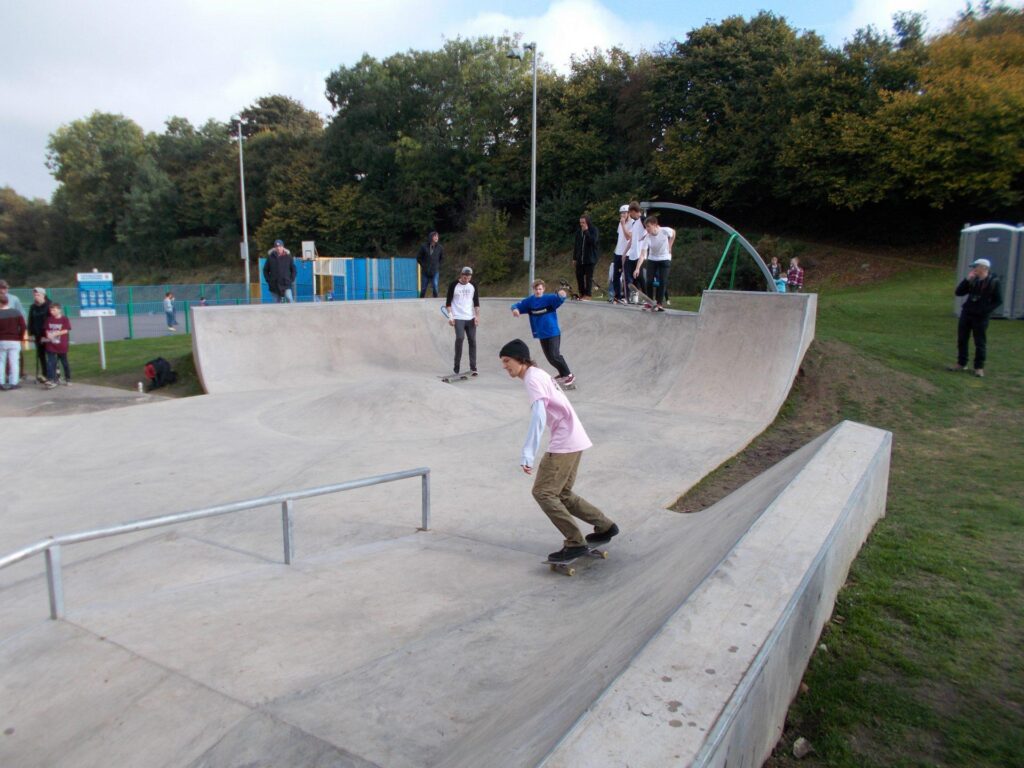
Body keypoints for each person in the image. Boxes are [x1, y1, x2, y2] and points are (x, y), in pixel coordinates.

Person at [499, 338, 619, 562]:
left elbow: (539, 415)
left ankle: (575, 543)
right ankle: (605, 526)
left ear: (521, 360)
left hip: (565, 441)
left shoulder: (532, 379)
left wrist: (528, 453)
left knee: (543, 493)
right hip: (576, 438)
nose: (505, 366)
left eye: (507, 361)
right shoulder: (540, 373)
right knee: (562, 494)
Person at [511, 279, 574, 386]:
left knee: (555, 355)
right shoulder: (530, 301)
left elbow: (559, 298)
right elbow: (516, 305)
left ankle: (568, 375)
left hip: (553, 332)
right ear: (533, 290)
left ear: (543, 289)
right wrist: (515, 310)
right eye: (536, 289)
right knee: (550, 358)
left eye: (540, 289)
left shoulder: (549, 298)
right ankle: (562, 373)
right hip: (541, 334)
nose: (538, 291)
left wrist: (562, 294)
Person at [951, 257, 1003, 378]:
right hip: (967, 313)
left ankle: (979, 367)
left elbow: (998, 300)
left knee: (979, 341)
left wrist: (985, 311)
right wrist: (967, 280)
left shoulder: (993, 281)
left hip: (981, 317)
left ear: (984, 268)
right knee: (962, 339)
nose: (974, 269)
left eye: (976, 267)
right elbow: (958, 292)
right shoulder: (973, 280)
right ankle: (961, 363)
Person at [445, 266, 480, 376]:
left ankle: (473, 367)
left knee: (472, 341)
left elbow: (476, 303)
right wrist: (450, 317)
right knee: (460, 338)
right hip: (458, 317)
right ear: (461, 275)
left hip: (470, 317)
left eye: (469, 278)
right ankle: (456, 366)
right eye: (465, 278)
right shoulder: (454, 285)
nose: (466, 280)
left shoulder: (473, 285)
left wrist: (477, 316)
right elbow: (448, 303)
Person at [637, 215, 675, 311]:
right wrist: (637, 268)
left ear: (655, 225)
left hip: (665, 259)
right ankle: (650, 302)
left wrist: (670, 245)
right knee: (649, 281)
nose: (647, 229)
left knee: (662, 281)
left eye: (648, 226)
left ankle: (659, 303)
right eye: (646, 227)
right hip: (652, 259)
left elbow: (674, 233)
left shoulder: (665, 230)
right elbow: (642, 255)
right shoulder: (647, 238)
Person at [0, 293, 26, 390]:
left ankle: (1, 382)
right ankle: (13, 382)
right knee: (14, 362)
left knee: (1, 362)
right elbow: (23, 326)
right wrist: (20, 337)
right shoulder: (16, 312)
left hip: (1, 340)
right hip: (14, 340)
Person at [43, 302, 71, 389]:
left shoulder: (64, 319)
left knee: (64, 362)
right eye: (51, 310)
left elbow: (66, 330)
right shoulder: (48, 319)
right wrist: (48, 335)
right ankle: (51, 379)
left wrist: (56, 333)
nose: (52, 312)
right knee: (51, 362)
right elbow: (46, 329)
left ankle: (68, 378)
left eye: (54, 310)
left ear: (59, 310)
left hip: (61, 344)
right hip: (51, 344)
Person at [27, 287, 52, 383]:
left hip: (47, 335)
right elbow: (30, 320)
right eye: (34, 295)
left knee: (50, 354)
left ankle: (53, 374)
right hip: (37, 334)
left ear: (43, 295)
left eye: (37, 295)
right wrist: (30, 334)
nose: (35, 297)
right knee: (41, 355)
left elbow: (51, 319)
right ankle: (44, 374)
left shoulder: (49, 305)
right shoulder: (33, 307)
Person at [572, 215, 599, 300]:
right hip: (580, 258)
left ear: (587, 222)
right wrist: (574, 258)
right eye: (580, 223)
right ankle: (582, 293)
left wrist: (586, 232)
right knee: (579, 276)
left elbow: (593, 241)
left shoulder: (593, 230)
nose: (582, 224)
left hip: (590, 258)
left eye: (583, 222)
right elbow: (576, 246)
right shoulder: (578, 232)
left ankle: (588, 294)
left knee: (588, 277)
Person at [624, 201, 646, 301]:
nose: (630, 215)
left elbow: (649, 230)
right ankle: (634, 298)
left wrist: (645, 237)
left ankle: (647, 297)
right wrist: (624, 253)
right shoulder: (635, 223)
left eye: (630, 213)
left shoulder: (642, 219)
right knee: (632, 278)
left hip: (640, 254)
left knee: (640, 277)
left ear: (633, 211)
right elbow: (631, 239)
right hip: (632, 254)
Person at [612, 204, 630, 303]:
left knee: (626, 276)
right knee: (616, 276)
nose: (622, 215)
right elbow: (620, 238)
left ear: (628, 213)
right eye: (621, 213)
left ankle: (626, 296)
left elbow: (628, 237)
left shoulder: (632, 223)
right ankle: (617, 295)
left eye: (624, 213)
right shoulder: (620, 223)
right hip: (618, 252)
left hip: (627, 253)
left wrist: (623, 225)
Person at [418, 231, 444, 298]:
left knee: (435, 286)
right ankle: (420, 301)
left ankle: (435, 300)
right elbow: (419, 258)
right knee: (423, 288)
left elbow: (442, 258)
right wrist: (423, 265)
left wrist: (437, 266)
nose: (436, 237)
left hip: (435, 271)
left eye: (437, 236)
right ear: (431, 237)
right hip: (425, 271)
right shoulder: (423, 246)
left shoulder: (440, 247)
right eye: (435, 236)